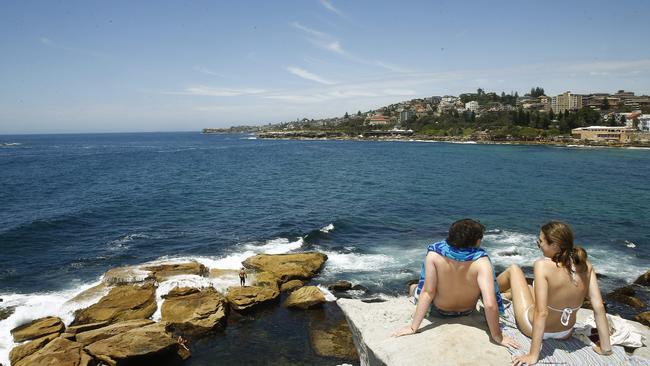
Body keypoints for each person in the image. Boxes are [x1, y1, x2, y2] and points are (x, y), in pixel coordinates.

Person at [497, 221, 612, 366]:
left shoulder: (542, 265)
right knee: (528, 288)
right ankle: (508, 295)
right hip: (565, 332)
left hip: (533, 327)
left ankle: (488, 292)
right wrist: (605, 348)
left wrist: (533, 355)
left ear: (555, 246)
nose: (539, 246)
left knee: (513, 270)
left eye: (540, 242)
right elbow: (599, 307)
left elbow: (542, 312)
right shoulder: (586, 266)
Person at [393, 218, 519, 350]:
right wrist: (497, 335)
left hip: (438, 311)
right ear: (476, 241)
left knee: (414, 287)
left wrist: (413, 327)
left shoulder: (434, 254)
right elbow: (489, 303)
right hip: (466, 311)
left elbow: (427, 292)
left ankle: (412, 290)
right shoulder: (482, 261)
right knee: (415, 288)